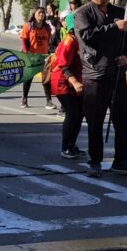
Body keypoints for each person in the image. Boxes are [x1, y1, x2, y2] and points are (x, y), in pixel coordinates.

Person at [74, 0, 127, 178]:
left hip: (117, 75)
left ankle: (121, 159)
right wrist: (114, 27)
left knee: (122, 120)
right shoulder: (82, 13)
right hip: (95, 76)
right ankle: (95, 161)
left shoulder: (120, 13)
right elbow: (87, 36)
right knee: (95, 121)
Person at [50, 13, 86, 159]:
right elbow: (63, 65)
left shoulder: (80, 40)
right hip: (63, 82)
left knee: (79, 113)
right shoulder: (69, 41)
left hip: (74, 82)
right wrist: (75, 82)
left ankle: (72, 145)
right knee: (72, 113)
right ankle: (66, 147)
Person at [20, 6, 55, 109]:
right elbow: (23, 40)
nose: (41, 14)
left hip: (43, 56)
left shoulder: (47, 27)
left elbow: (49, 41)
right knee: (28, 78)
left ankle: (49, 101)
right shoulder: (28, 26)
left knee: (46, 79)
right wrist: (27, 53)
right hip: (32, 56)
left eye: (43, 13)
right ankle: (24, 99)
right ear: (34, 14)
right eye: (39, 12)